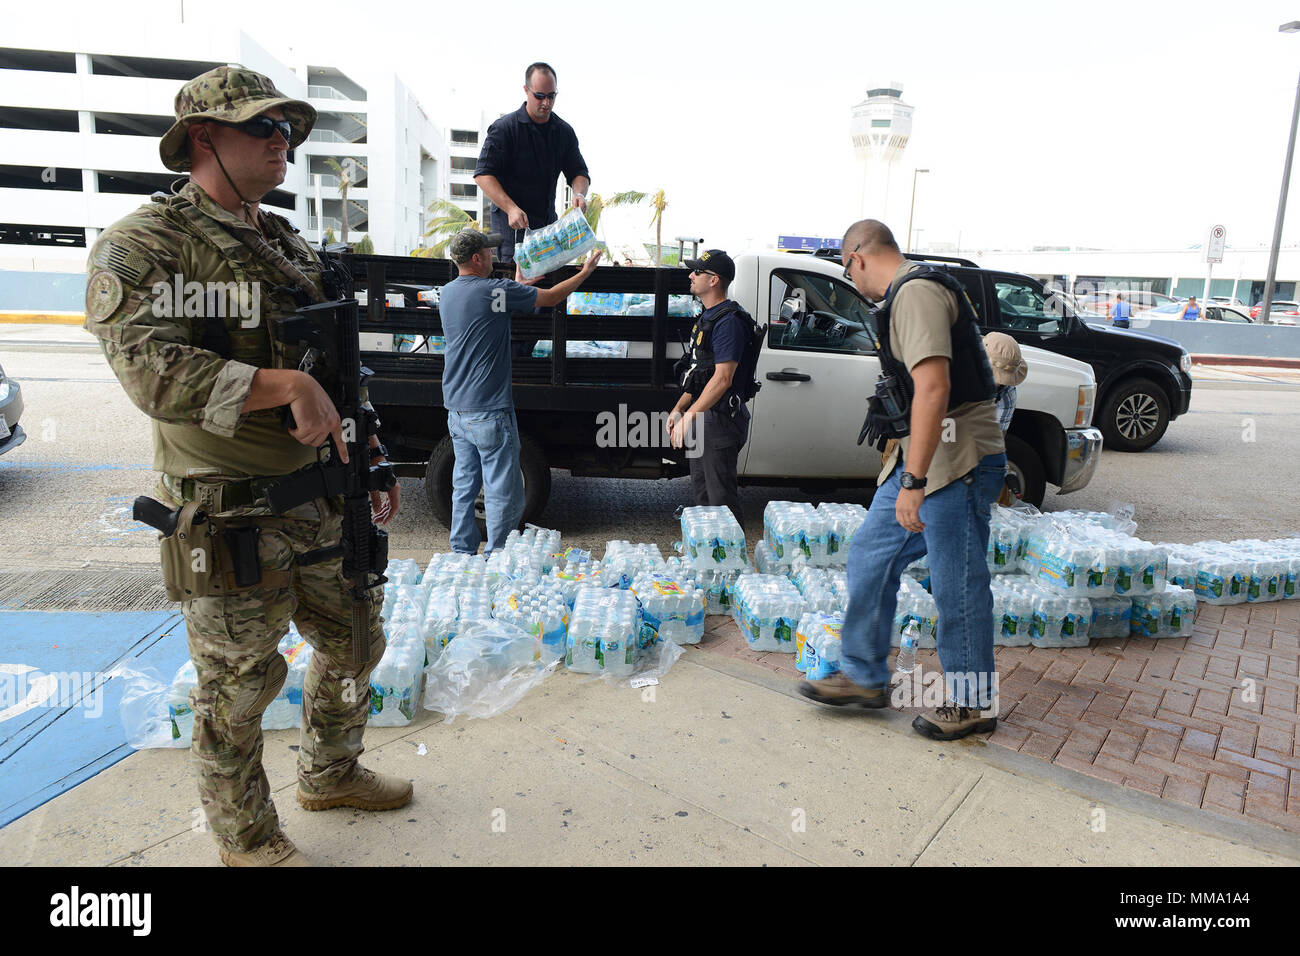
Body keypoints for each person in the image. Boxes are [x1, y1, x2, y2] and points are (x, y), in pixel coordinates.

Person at [83, 67, 408, 867]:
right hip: (231, 513)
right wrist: (282, 385)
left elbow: (335, 368)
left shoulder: (286, 243)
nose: (282, 143)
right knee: (238, 687)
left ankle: (330, 773)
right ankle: (247, 840)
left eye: (289, 131)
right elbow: (149, 370)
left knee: (356, 640)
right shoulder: (144, 244)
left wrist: (369, 451)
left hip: (324, 499)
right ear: (203, 138)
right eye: (262, 128)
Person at [798, 219, 1006, 740]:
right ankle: (865, 677)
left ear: (858, 259)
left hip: (954, 458)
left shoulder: (915, 293)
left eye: (846, 268)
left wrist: (913, 481)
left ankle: (973, 701)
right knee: (871, 552)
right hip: (923, 453)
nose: (852, 278)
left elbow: (934, 387)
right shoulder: (906, 294)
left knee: (956, 580)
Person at [438, 229, 602, 553]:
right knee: (503, 491)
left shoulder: (449, 292)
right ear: (477, 258)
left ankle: (461, 553)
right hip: (489, 410)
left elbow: (500, 299)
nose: (493, 255)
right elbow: (552, 297)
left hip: (457, 410)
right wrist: (584, 272)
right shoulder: (492, 290)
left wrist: (518, 282)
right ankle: (498, 556)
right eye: (488, 251)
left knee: (464, 485)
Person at [669, 250, 754, 528]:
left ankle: (733, 568)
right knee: (704, 496)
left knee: (720, 502)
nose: (691, 276)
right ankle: (711, 562)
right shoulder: (709, 317)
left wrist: (689, 416)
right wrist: (679, 408)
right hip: (706, 418)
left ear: (714, 280)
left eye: (697, 272)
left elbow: (723, 379)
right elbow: (699, 374)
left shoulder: (728, 322)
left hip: (719, 421)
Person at [474, 62, 590, 263]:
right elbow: (483, 175)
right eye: (539, 96)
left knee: (549, 289)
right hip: (511, 228)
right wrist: (510, 208)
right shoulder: (504, 129)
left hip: (547, 226)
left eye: (551, 96)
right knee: (515, 287)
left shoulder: (564, 132)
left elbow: (579, 172)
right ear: (526, 90)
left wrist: (579, 193)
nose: (546, 102)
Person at [983, 331, 1028, 506]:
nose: (999, 384)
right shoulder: (953, 373)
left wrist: (1000, 470)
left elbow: (994, 440)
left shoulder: (1007, 394)